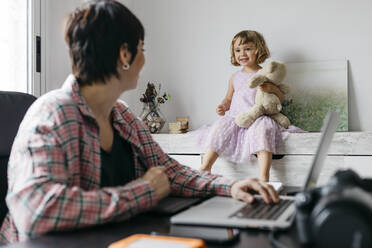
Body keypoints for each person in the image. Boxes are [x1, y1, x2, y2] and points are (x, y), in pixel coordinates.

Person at [0, 1, 279, 244]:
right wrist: (143, 192)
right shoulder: (53, 115)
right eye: (141, 48)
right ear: (125, 54)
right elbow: (36, 212)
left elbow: (168, 172)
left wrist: (230, 186)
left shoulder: (122, 115)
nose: (143, 59)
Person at [197, 30, 302, 181]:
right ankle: (206, 166)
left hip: (258, 116)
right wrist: (223, 106)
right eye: (238, 50)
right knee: (219, 128)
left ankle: (263, 176)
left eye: (248, 49)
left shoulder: (265, 74)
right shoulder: (235, 77)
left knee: (263, 131)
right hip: (236, 117)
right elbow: (228, 98)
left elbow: (281, 98)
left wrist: (273, 89)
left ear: (258, 49)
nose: (242, 54)